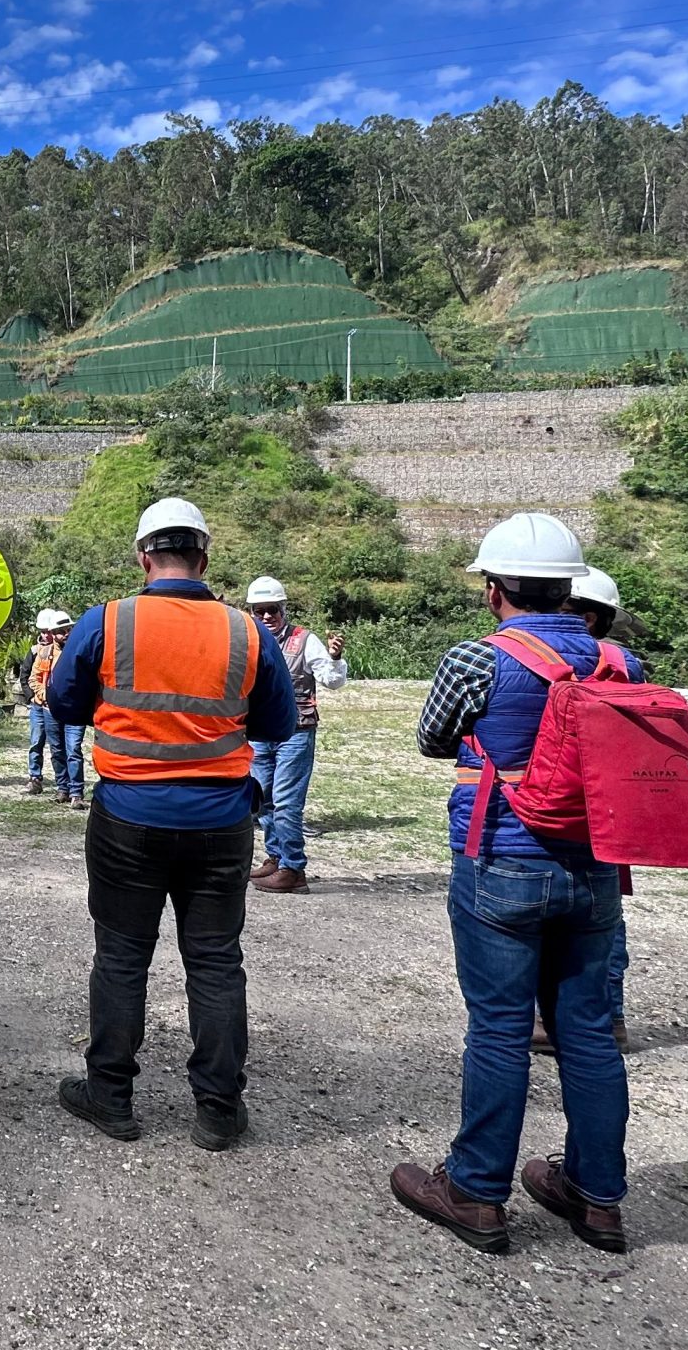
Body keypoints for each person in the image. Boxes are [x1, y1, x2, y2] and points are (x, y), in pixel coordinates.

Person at [391, 512, 641, 1258]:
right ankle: (598, 1200)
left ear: (494, 589)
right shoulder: (620, 664)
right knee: (589, 1033)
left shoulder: (478, 660)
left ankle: (475, 1193)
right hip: (593, 868)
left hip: (499, 862)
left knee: (498, 1029)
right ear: (570, 587)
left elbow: (434, 740)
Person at [45, 499, 296, 1148]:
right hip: (221, 822)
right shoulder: (248, 632)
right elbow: (278, 724)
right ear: (204, 559)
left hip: (128, 816)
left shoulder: (109, 621)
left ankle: (111, 1097)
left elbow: (64, 702)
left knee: (123, 958)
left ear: (143, 556)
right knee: (214, 963)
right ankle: (217, 1111)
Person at [537, 565, 635, 1054]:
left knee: (540, 918)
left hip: (550, 808)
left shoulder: (526, 659)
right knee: (602, 918)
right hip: (606, 813)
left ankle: (557, 1018)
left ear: (589, 618)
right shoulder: (626, 664)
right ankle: (607, 1017)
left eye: (561, 605)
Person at [246, 576, 348, 895]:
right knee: (263, 799)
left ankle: (293, 868)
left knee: (288, 803)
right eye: (259, 610)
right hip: (258, 731)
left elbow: (332, 682)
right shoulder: (246, 639)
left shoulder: (305, 640)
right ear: (250, 611)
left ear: (283, 609)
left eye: (272, 610)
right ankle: (276, 857)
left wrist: (334, 658)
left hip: (296, 731)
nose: (266, 617)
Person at [25, 608, 85, 803]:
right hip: (50, 710)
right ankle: (63, 789)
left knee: (73, 750)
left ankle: (76, 792)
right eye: (62, 631)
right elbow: (33, 678)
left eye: (68, 630)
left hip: (75, 710)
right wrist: (45, 696)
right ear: (53, 634)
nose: (66, 634)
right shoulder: (43, 653)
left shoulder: (80, 652)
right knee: (57, 751)